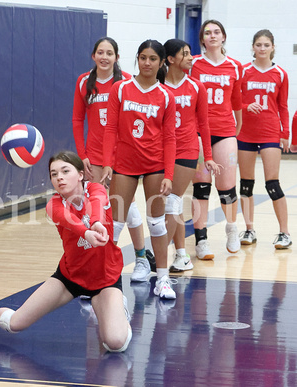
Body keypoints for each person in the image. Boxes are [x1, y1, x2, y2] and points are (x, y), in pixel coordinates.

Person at [0, 151, 132, 353]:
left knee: (116, 343)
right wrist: (88, 232)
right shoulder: (54, 205)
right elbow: (69, 220)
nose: (60, 178)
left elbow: (97, 203)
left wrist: (97, 223)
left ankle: (118, 308)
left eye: (66, 171)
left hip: (105, 280)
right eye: (54, 174)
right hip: (69, 278)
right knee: (15, 324)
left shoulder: (97, 189)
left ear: (81, 175)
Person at [72, 37, 156, 279]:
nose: (104, 57)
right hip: (95, 157)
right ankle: (103, 260)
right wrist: (82, 155)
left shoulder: (126, 82)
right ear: (93, 56)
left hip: (122, 156)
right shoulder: (83, 83)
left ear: (117, 57)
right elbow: (78, 120)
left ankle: (140, 257)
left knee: (124, 204)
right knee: (101, 207)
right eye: (100, 52)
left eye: (110, 53)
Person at [101, 39, 177, 299]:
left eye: (152, 58)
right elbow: (110, 128)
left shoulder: (166, 95)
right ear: (136, 59)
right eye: (143, 57)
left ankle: (163, 280)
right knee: (114, 224)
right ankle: (103, 278)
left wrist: (169, 174)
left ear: (161, 62)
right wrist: (107, 162)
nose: (147, 63)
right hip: (124, 164)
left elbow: (170, 138)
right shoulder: (120, 89)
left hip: (155, 164)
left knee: (156, 223)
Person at [163, 39, 221, 271]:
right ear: (170, 59)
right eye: (185, 54)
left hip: (186, 149)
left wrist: (207, 155)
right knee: (171, 205)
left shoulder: (197, 87)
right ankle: (180, 254)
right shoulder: (158, 85)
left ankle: (155, 255)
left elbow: (204, 125)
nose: (190, 58)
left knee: (172, 201)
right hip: (160, 150)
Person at [189, 19, 243, 259]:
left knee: (227, 187)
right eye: (207, 33)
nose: (212, 36)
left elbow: (237, 101)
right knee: (201, 187)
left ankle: (232, 228)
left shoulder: (234, 66)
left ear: (223, 37)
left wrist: (237, 126)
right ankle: (201, 241)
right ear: (202, 39)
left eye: (216, 32)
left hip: (224, 130)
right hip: (199, 132)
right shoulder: (194, 65)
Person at [238, 29, 292, 249]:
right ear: (253, 47)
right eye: (258, 45)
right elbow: (234, 102)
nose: (262, 49)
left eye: (266, 45)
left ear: (273, 47)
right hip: (245, 133)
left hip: (270, 131)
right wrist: (245, 106)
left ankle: (284, 233)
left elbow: (283, 106)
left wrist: (285, 133)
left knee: (273, 184)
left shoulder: (280, 73)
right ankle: (249, 229)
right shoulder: (243, 71)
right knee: (246, 185)